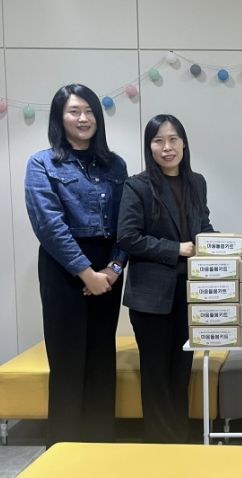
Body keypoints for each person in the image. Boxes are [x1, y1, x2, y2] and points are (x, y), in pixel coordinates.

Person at [24, 84, 127, 445]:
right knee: (68, 360)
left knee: (101, 357)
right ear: (60, 118)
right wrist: (85, 272)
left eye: (89, 111)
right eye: (74, 111)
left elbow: (127, 222)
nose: (83, 118)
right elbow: (48, 225)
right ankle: (64, 448)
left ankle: (100, 444)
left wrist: (114, 269)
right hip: (64, 269)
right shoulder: (42, 163)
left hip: (107, 268)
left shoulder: (115, 164)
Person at [117, 114, 215, 443]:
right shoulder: (137, 185)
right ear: (150, 147)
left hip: (189, 292)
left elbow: (203, 226)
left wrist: (226, 247)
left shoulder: (196, 182)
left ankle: (180, 439)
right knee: (156, 374)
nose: (167, 147)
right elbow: (128, 237)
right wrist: (176, 249)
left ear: (184, 144)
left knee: (181, 369)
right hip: (151, 297)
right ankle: (160, 443)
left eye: (173, 139)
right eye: (158, 141)